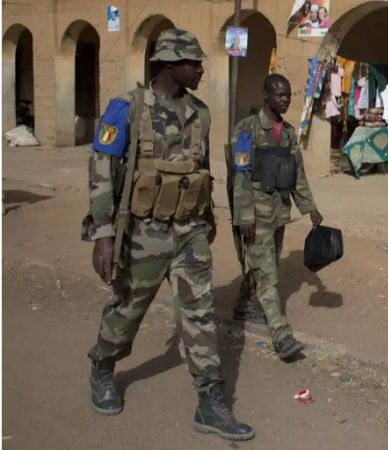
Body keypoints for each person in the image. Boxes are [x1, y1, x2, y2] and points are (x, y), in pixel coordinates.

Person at [82, 29, 254, 441]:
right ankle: (103, 367)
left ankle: (210, 401)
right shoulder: (127, 108)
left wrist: (209, 219)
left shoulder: (201, 112)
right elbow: (101, 170)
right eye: (193, 63)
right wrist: (103, 234)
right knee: (127, 309)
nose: (199, 69)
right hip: (143, 232)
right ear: (169, 64)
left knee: (199, 313)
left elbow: (202, 171)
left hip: (190, 232)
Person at [229, 73, 324, 363]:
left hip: (279, 212)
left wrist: (309, 207)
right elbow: (240, 176)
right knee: (268, 274)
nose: (285, 100)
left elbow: (298, 175)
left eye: (288, 96)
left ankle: (243, 304)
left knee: (264, 263)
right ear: (266, 96)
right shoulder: (246, 130)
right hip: (255, 214)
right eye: (280, 95)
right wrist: (244, 215)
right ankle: (281, 336)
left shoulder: (289, 133)